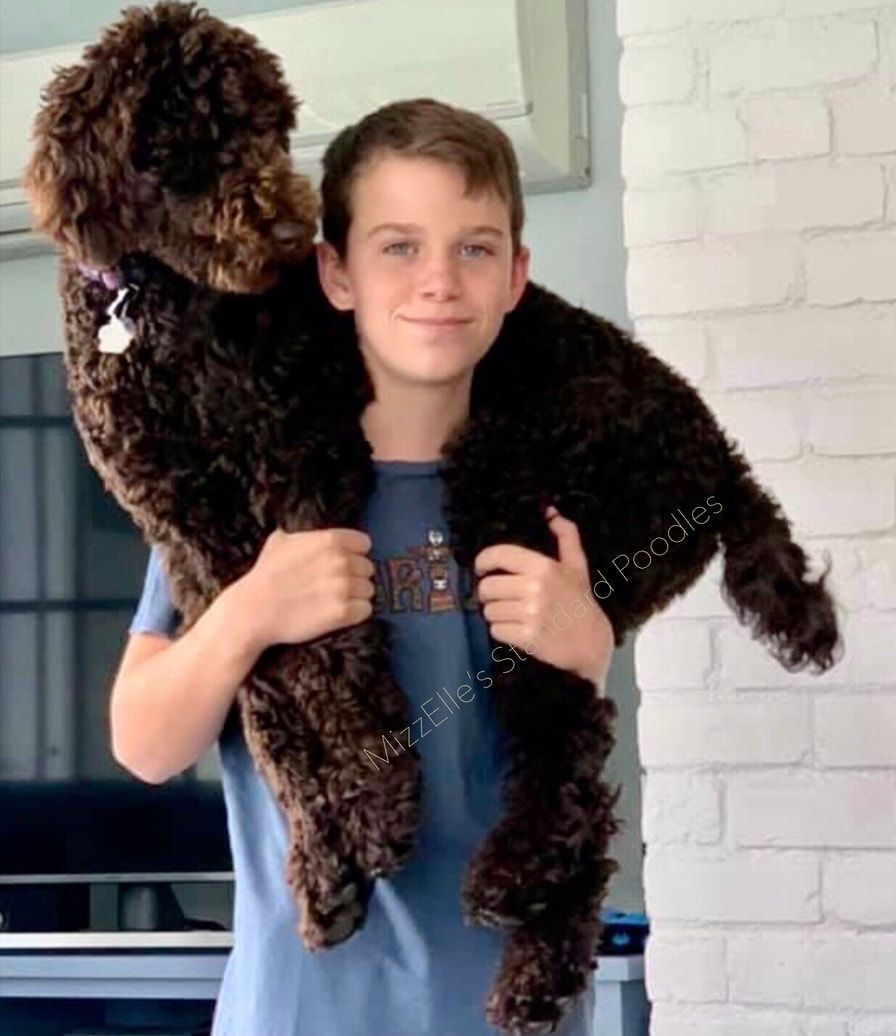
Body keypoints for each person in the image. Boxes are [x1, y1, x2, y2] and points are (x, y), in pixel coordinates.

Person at [111, 98, 616, 1036]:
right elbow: (142, 744)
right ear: (335, 274)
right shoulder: (243, 499)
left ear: (516, 276)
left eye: (474, 247)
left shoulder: (558, 506)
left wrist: (592, 653)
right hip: (298, 1013)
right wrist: (250, 611)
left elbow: (559, 773)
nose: (439, 281)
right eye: (398, 246)